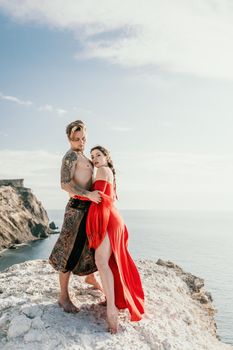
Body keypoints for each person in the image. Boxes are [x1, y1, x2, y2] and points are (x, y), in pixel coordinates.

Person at [74, 145, 144, 333]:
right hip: (111, 219)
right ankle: (113, 299)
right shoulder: (106, 172)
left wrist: (78, 192)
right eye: (92, 156)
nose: (95, 158)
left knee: (102, 262)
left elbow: (99, 199)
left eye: (98, 155)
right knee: (110, 262)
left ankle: (112, 310)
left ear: (107, 157)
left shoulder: (103, 170)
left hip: (109, 221)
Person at [49, 120, 102, 313]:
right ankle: (63, 297)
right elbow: (64, 183)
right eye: (77, 139)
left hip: (88, 208)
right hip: (76, 208)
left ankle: (90, 277)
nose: (81, 142)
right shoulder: (70, 156)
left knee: (89, 247)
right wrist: (88, 195)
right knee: (69, 252)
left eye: (84, 138)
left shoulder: (82, 155)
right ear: (69, 139)